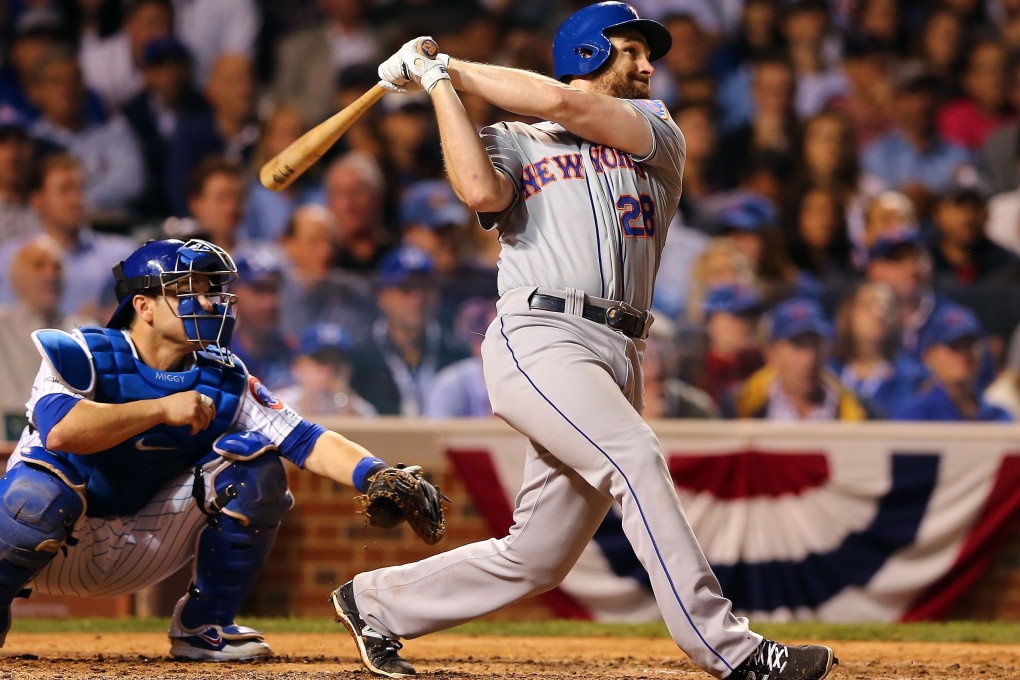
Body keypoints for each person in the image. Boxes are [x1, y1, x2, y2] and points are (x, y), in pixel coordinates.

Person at [332, 6, 837, 680]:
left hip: (620, 350)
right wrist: (437, 87)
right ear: (591, 50)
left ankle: (375, 604)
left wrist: (444, 63)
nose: (648, 66)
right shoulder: (514, 138)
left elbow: (563, 101)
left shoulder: (657, 129)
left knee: (538, 555)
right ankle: (730, 650)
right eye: (630, 52)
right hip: (541, 335)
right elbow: (479, 188)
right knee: (635, 459)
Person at [0, 237, 443, 660]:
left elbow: (304, 438)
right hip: (49, 543)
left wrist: (376, 473)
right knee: (39, 487)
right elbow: (62, 431)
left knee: (256, 464)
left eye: (211, 290)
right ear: (144, 306)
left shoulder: (224, 375)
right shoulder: (82, 351)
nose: (209, 301)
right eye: (190, 290)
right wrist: (160, 409)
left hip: (146, 543)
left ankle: (205, 625)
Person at [723, 297, 867, 421]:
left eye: (816, 345)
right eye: (798, 345)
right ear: (771, 353)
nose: (810, 357)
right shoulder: (739, 405)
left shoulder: (858, 409)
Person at [892, 305, 1012, 422]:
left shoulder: (997, 416)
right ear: (929, 355)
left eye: (970, 345)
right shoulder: (914, 414)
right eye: (954, 346)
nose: (964, 354)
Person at [276, 322, 377, 418]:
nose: (329, 369)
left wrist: (344, 402)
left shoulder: (361, 411)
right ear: (298, 366)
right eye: (321, 360)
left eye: (336, 361)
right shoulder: (278, 405)